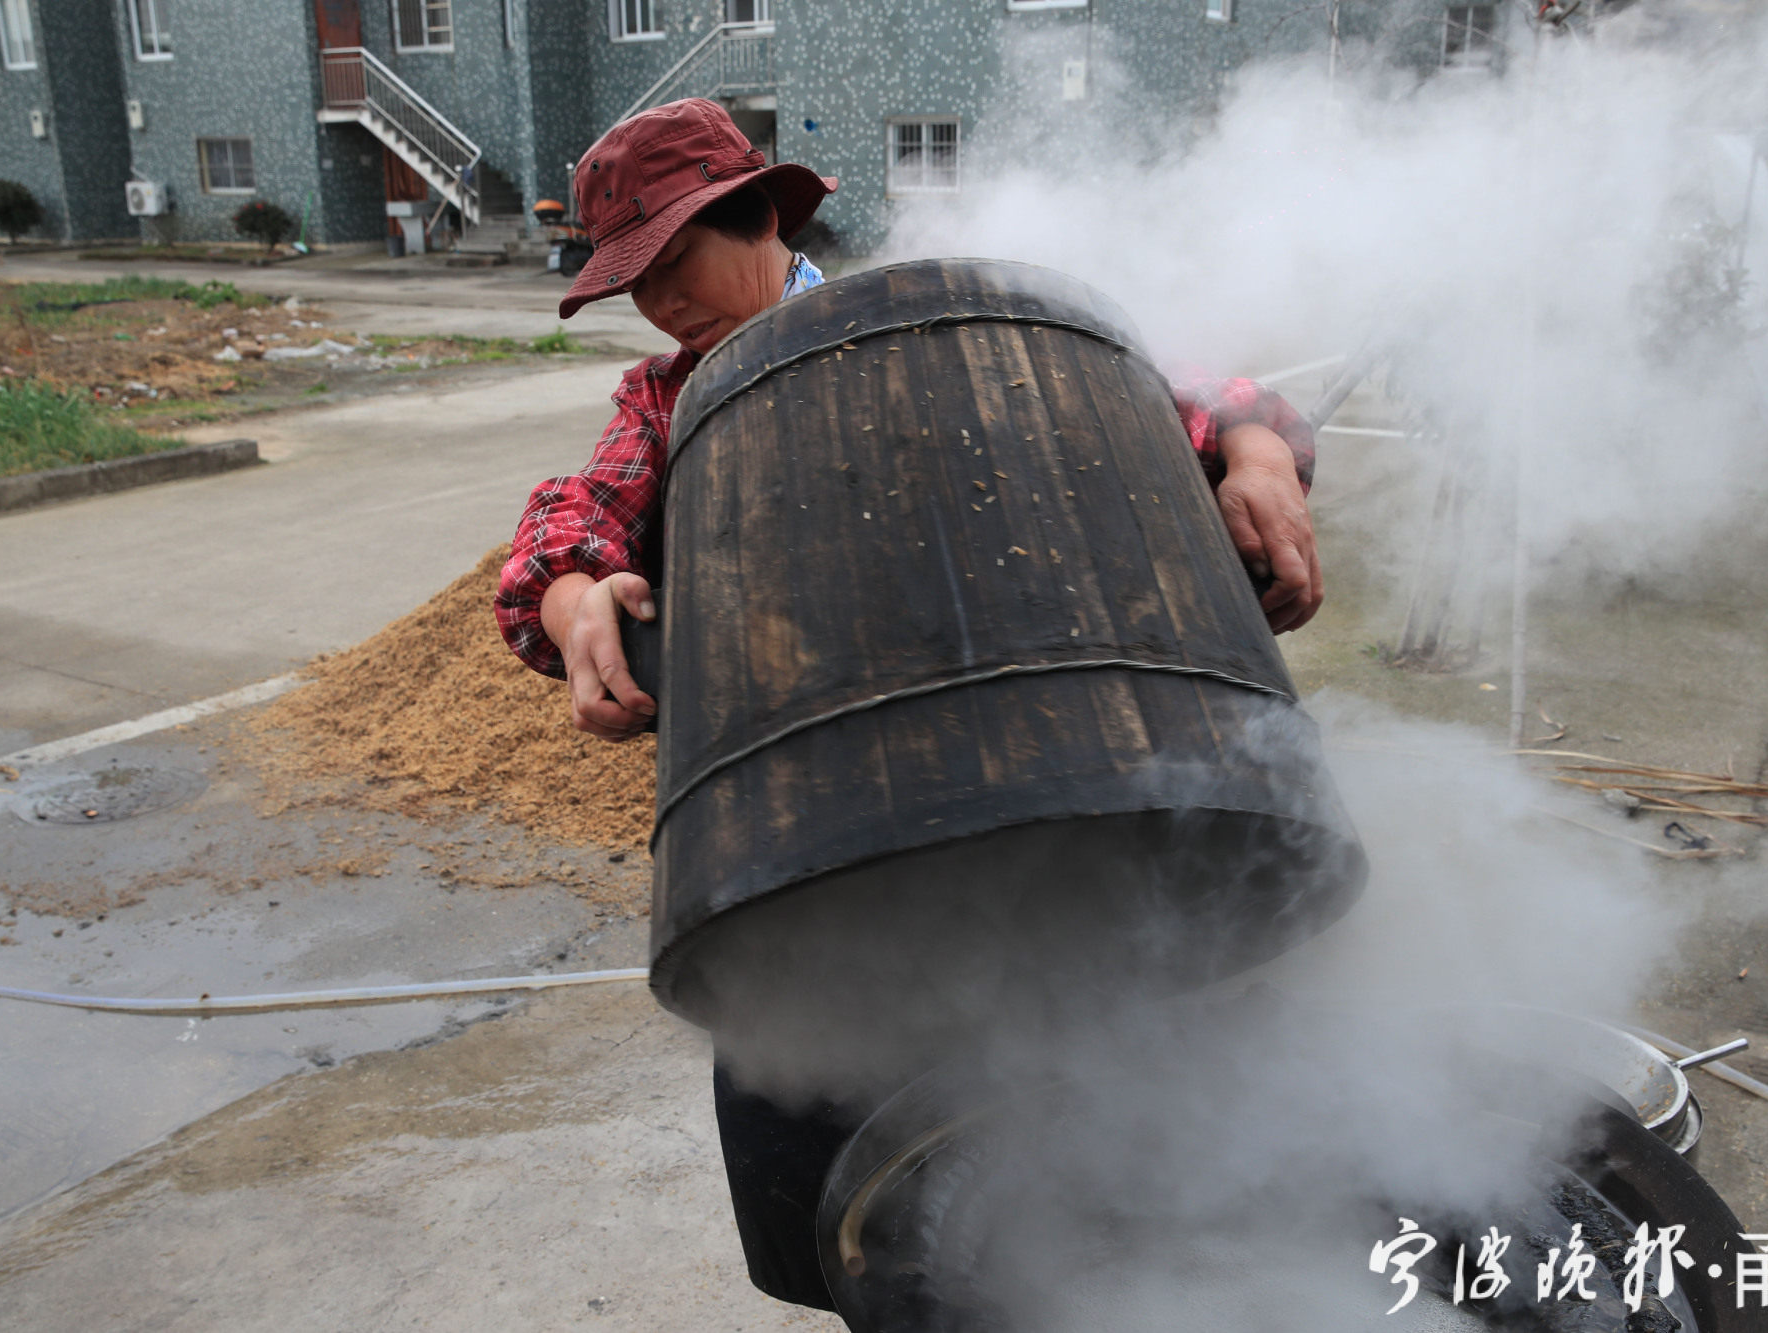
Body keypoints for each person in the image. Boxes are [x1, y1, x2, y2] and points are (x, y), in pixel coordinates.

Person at [495, 97, 1325, 1311]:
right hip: (817, 881)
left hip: (1056, 827)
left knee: (1125, 1182)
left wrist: (1251, 451)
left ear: (762, 213)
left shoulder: (933, 318)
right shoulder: (667, 404)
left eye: (677, 257)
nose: (663, 301)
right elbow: (570, 523)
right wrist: (573, 604)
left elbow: (1184, 391)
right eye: (633, 279)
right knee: (878, 1227)